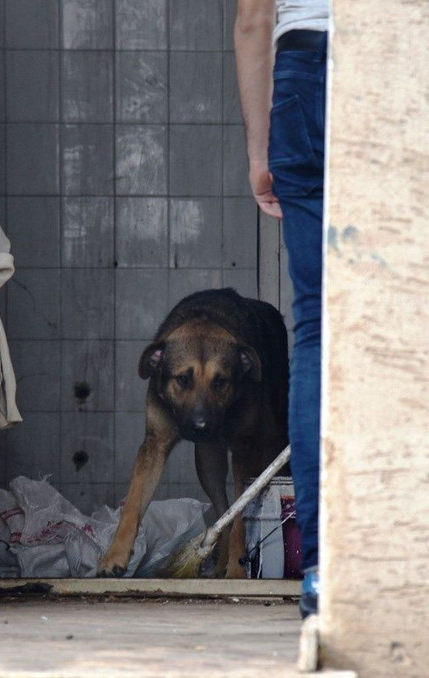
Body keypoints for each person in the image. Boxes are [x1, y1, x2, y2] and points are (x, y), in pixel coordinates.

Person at [233, 0, 329, 619]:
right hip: (400, 62)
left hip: (304, 72)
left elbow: (253, 18)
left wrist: (258, 152)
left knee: (318, 326)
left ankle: (322, 571)